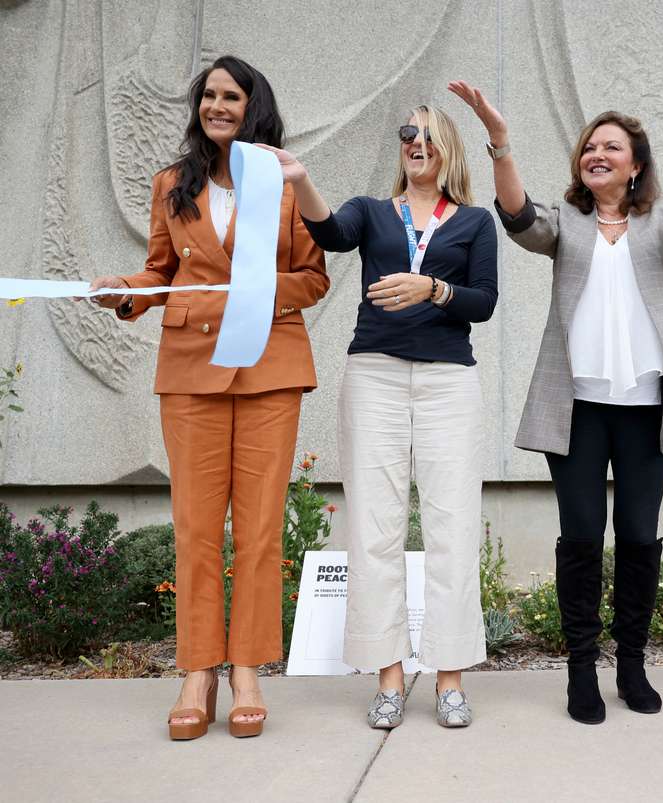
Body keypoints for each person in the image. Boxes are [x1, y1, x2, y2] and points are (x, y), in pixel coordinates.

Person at [448, 79, 663, 724]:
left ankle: (632, 666)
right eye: (590, 146)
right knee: (581, 537)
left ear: (635, 164)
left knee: (639, 537)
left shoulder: (660, 225)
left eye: (612, 146)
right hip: (576, 411)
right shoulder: (567, 225)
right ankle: (580, 672)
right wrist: (500, 140)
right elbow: (520, 216)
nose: (597, 153)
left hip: (648, 411)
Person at [87, 55, 330, 740]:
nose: (217, 105)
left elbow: (315, 278)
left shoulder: (283, 182)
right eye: (208, 95)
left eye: (231, 95)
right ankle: (197, 670)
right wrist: (127, 290)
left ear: (255, 106)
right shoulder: (173, 183)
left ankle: (246, 669)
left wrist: (256, 293)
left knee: (257, 530)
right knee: (196, 529)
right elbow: (161, 271)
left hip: (269, 369)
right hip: (191, 369)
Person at [263, 104, 497, 729]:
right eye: (406, 135)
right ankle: (389, 678)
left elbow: (485, 302)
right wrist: (300, 177)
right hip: (375, 378)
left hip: (450, 383)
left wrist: (433, 290)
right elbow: (331, 235)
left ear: (447, 147)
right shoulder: (371, 210)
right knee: (374, 526)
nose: (415, 143)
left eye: (426, 134)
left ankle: (449, 679)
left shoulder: (474, 221)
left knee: (453, 527)